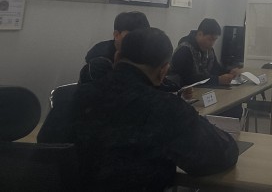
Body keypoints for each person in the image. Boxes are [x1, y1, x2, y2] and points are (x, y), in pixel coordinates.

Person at [71, 27, 239, 191]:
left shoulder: (77, 96)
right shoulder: (165, 108)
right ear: (163, 71)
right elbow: (219, 156)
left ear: (117, 57)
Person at [78, 11, 150, 83]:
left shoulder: (145, 52)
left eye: (142, 37)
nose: (138, 41)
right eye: (132, 36)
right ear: (116, 35)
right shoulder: (99, 59)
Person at [170, 18, 241, 86]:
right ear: (200, 34)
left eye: (214, 40)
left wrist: (230, 72)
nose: (212, 43)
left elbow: (216, 69)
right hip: (183, 91)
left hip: (202, 90)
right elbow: (187, 79)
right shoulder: (184, 50)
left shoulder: (208, 49)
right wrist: (217, 80)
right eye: (210, 39)